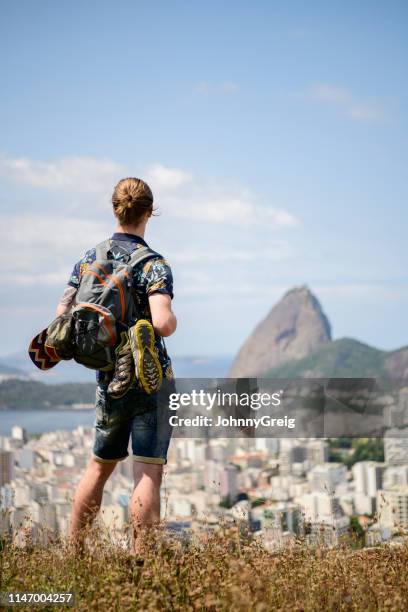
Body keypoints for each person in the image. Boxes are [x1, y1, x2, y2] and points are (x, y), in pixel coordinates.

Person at [55, 177, 177, 553]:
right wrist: (171, 320)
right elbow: (161, 323)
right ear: (149, 213)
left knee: (98, 467)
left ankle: (74, 553)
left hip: (109, 378)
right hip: (149, 379)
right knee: (148, 471)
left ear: (115, 209)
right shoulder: (154, 265)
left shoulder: (88, 258)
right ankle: (142, 558)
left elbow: (63, 312)